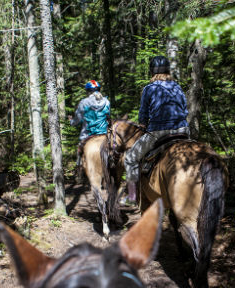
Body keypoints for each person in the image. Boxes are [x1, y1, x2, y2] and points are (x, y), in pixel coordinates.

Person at [123, 55, 189, 204]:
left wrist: (143, 123)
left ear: (152, 71)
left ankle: (132, 197)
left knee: (130, 158)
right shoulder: (177, 87)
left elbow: (143, 113)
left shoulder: (149, 88)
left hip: (159, 131)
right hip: (183, 130)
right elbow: (185, 109)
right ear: (168, 70)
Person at [71, 80, 111, 168]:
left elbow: (77, 120)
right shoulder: (107, 102)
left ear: (88, 91)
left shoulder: (84, 102)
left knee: (80, 151)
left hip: (87, 134)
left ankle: (79, 170)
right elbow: (108, 117)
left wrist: (72, 121)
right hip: (104, 134)